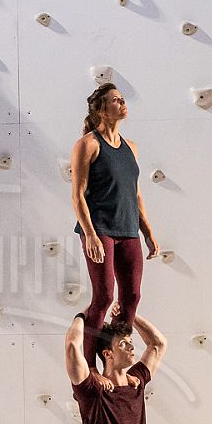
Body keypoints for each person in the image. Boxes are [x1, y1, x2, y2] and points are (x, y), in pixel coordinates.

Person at [70, 84, 159, 357]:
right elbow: (77, 195)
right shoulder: (88, 144)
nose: (123, 103)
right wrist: (90, 234)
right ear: (102, 109)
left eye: (122, 99)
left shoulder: (131, 147)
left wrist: (147, 232)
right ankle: (90, 365)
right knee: (104, 296)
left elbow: (135, 193)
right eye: (116, 100)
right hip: (100, 229)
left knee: (132, 296)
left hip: (128, 228)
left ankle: (114, 356)